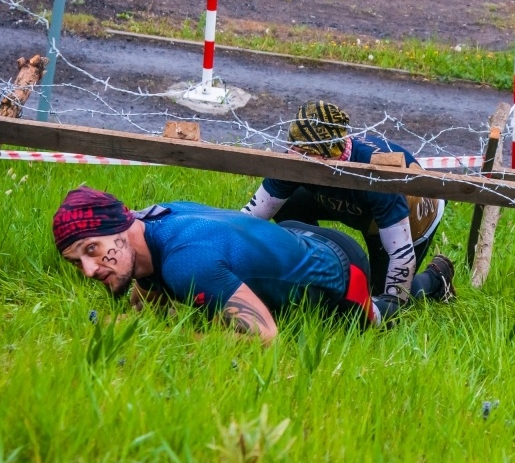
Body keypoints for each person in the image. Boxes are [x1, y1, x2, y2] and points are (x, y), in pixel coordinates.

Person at [53, 186, 455, 344]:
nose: (89, 270)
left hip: (341, 269)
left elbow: (266, 337)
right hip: (293, 236)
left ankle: (436, 278)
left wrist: (180, 337)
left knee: (384, 314)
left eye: (92, 249)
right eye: (77, 262)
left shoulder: (187, 263)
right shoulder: (152, 220)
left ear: (121, 226)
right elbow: (148, 289)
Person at [243, 100, 450, 312]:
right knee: (289, 201)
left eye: (306, 155)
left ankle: (436, 277)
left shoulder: (376, 174)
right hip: (353, 199)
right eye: (293, 149)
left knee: (372, 296)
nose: (295, 160)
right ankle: (312, 259)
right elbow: (250, 218)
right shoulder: (298, 156)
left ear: (329, 154)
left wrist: (392, 307)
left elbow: (401, 255)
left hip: (412, 213)